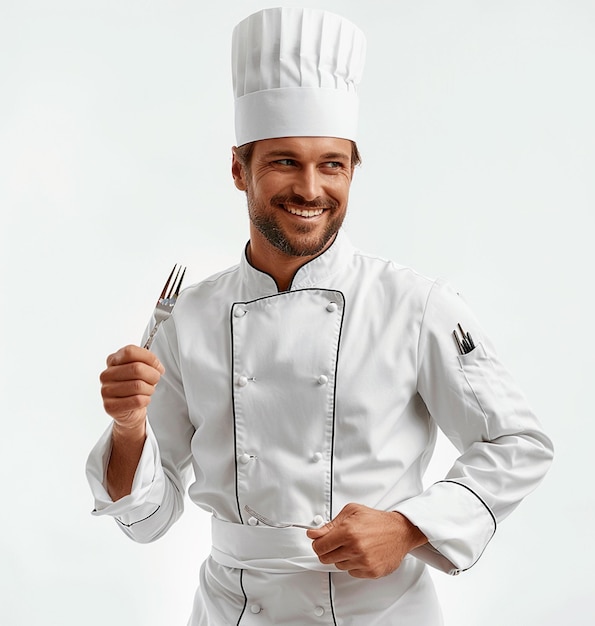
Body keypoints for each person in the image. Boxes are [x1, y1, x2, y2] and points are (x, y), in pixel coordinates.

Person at [86, 7, 553, 625]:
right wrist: (126, 429)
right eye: (284, 161)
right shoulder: (188, 318)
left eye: (331, 163)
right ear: (238, 170)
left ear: (352, 170)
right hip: (231, 610)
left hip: (379, 611)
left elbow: (517, 443)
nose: (310, 188)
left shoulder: (415, 306)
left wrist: (409, 527)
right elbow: (148, 519)